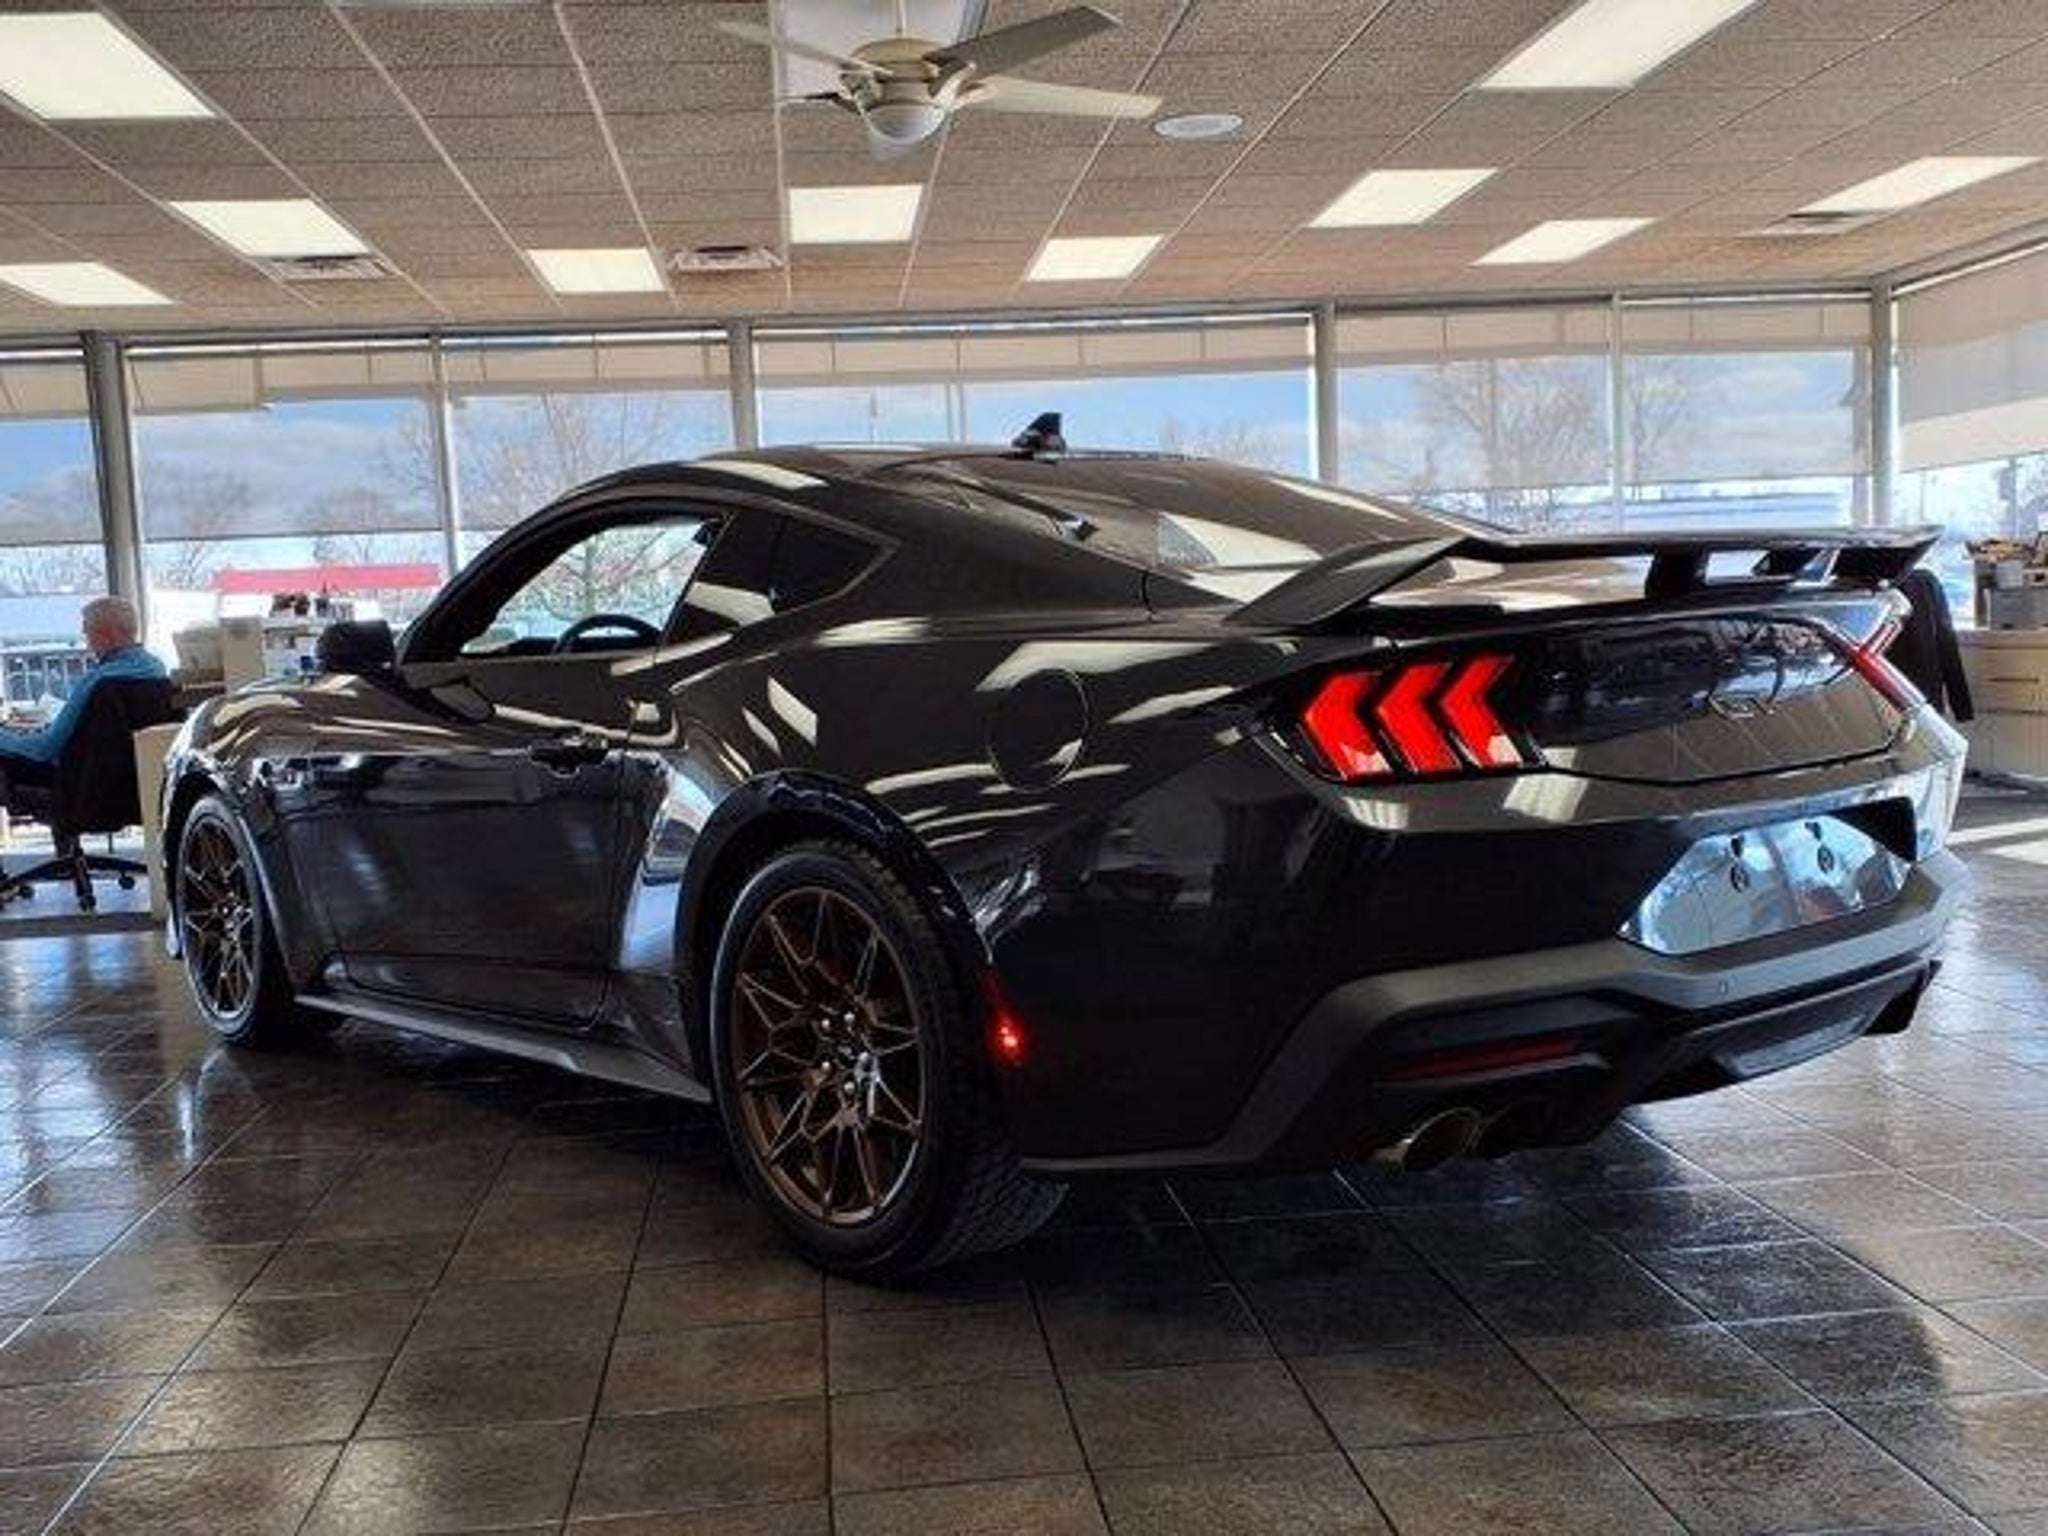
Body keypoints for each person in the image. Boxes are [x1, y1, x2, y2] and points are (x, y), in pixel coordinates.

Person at [0, 597, 169, 811]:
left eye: (88, 632)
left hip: (83, 788)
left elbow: (44, 749)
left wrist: (4, 738)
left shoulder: (98, 681)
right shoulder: (157, 670)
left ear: (109, 634)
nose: (87, 643)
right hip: (137, 784)